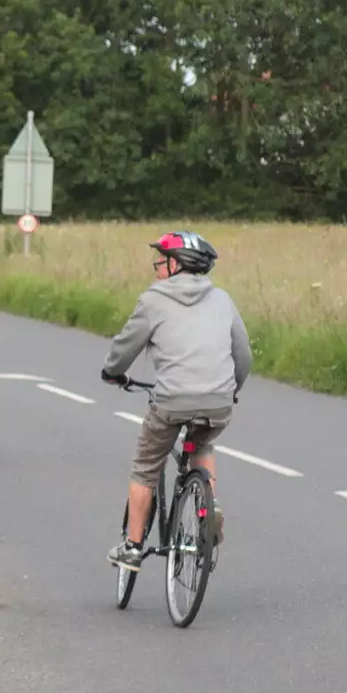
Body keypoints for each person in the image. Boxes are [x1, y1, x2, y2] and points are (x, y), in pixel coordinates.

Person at [100, 231, 251, 571]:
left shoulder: (153, 300)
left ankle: (133, 547)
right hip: (219, 400)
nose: (156, 268)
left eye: (161, 260)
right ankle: (208, 507)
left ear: (175, 264)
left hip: (171, 402)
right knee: (201, 443)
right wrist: (231, 390)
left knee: (145, 467)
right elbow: (243, 355)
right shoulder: (223, 299)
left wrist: (112, 372)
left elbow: (125, 347)